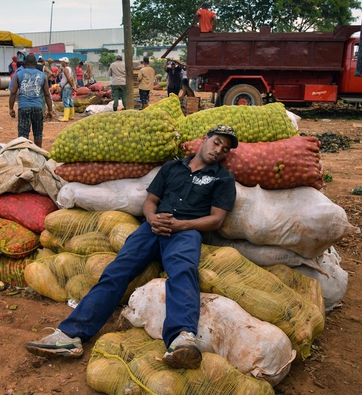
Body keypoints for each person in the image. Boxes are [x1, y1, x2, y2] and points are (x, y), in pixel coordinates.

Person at [25, 125, 239, 370]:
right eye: (217, 142)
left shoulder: (222, 178)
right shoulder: (171, 167)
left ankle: (182, 339)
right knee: (117, 270)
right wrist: (151, 218)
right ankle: (70, 336)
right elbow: (150, 201)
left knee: (183, 272)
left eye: (225, 148)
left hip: (186, 231)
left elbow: (216, 219)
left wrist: (181, 225)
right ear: (204, 139)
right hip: (152, 227)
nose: (219, 150)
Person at [9, 54, 54, 148]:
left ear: (25, 63)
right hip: (38, 108)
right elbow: (47, 94)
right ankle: (38, 154)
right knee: (38, 133)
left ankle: (23, 154)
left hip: (23, 107)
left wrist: (11, 108)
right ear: (35, 63)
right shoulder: (42, 75)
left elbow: (13, 92)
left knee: (23, 134)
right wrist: (50, 110)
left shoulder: (19, 74)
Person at [58, 57, 77, 122]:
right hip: (69, 87)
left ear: (65, 62)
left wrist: (72, 86)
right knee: (70, 100)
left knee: (66, 101)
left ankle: (66, 117)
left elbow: (68, 79)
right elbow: (72, 78)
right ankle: (71, 116)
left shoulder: (66, 69)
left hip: (66, 87)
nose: (61, 63)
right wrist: (73, 86)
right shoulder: (70, 69)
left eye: (62, 62)